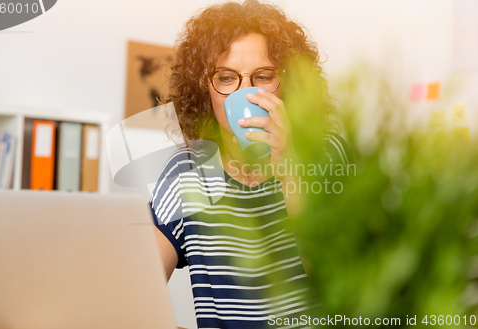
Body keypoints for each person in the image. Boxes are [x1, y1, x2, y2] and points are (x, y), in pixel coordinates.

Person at [151, 1, 353, 328]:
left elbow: (341, 281)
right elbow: (136, 293)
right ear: (206, 90)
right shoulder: (185, 172)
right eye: (227, 78)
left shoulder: (327, 154)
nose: (246, 93)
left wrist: (288, 164)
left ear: (286, 83)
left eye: (263, 76)